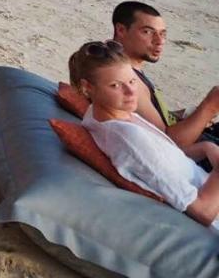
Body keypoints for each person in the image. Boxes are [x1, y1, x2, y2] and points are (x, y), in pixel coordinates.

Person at [68, 40, 219, 231]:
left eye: (132, 81)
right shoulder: (126, 137)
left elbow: (167, 158)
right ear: (87, 87)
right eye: (115, 85)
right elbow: (203, 212)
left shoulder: (108, 116)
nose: (131, 92)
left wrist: (207, 148)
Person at [111, 1, 219, 154]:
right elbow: (168, 142)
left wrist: (186, 116)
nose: (159, 41)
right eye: (147, 32)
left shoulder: (123, 67)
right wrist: (210, 106)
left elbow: (149, 120)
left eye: (162, 34)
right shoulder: (126, 79)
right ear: (121, 30)